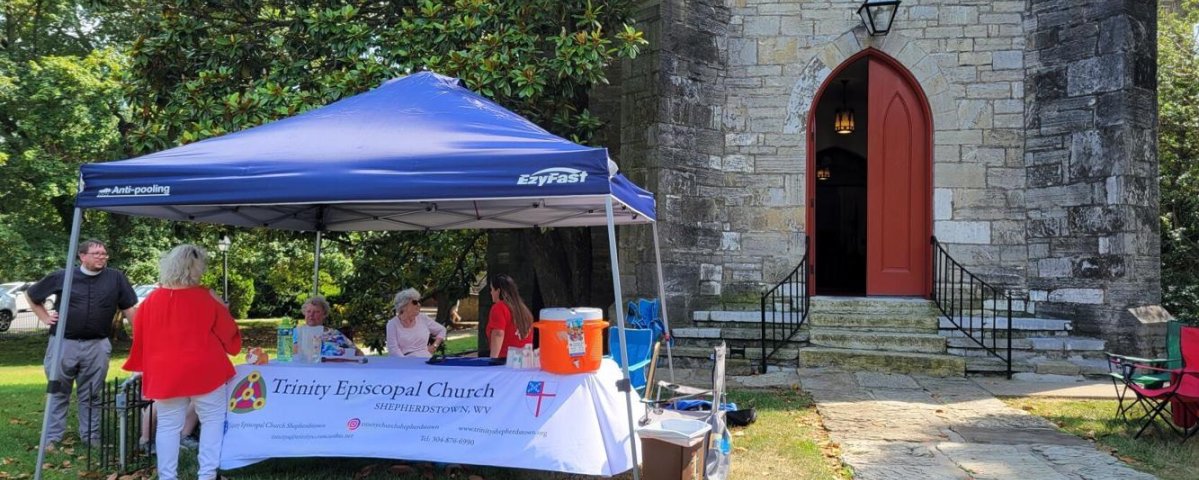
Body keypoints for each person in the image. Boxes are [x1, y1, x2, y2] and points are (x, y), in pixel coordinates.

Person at [123, 244, 242, 480]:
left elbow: (141, 338)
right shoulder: (207, 296)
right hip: (206, 369)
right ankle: (207, 475)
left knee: (168, 426)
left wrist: (143, 367)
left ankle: (168, 477)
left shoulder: (151, 300)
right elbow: (229, 334)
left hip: (166, 372)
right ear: (197, 268)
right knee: (212, 421)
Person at [27, 239, 137, 450]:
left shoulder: (116, 278)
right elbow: (32, 296)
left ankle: (91, 437)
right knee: (57, 390)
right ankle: (51, 438)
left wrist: (141, 336)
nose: (102, 257)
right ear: (82, 256)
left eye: (104, 254)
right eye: (96, 253)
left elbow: (129, 308)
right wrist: (44, 317)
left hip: (97, 346)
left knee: (93, 393)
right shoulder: (63, 275)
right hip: (63, 344)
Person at [293, 295, 363, 361]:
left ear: (324, 314)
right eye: (308, 311)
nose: (311, 315)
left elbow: (358, 353)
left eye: (316, 312)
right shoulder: (296, 332)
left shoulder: (334, 334)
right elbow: (286, 353)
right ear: (304, 313)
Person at [385, 288, 447, 358]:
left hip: (425, 359)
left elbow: (442, 330)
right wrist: (408, 364)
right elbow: (394, 350)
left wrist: (434, 346)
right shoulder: (392, 324)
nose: (419, 305)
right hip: (404, 362)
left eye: (419, 302)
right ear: (403, 306)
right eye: (415, 302)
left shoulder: (423, 318)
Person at [486, 274, 534, 359]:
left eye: (492, 289)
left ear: (498, 291)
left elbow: (498, 333)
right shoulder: (524, 309)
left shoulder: (499, 307)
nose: (491, 293)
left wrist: (493, 360)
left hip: (505, 361)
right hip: (524, 361)